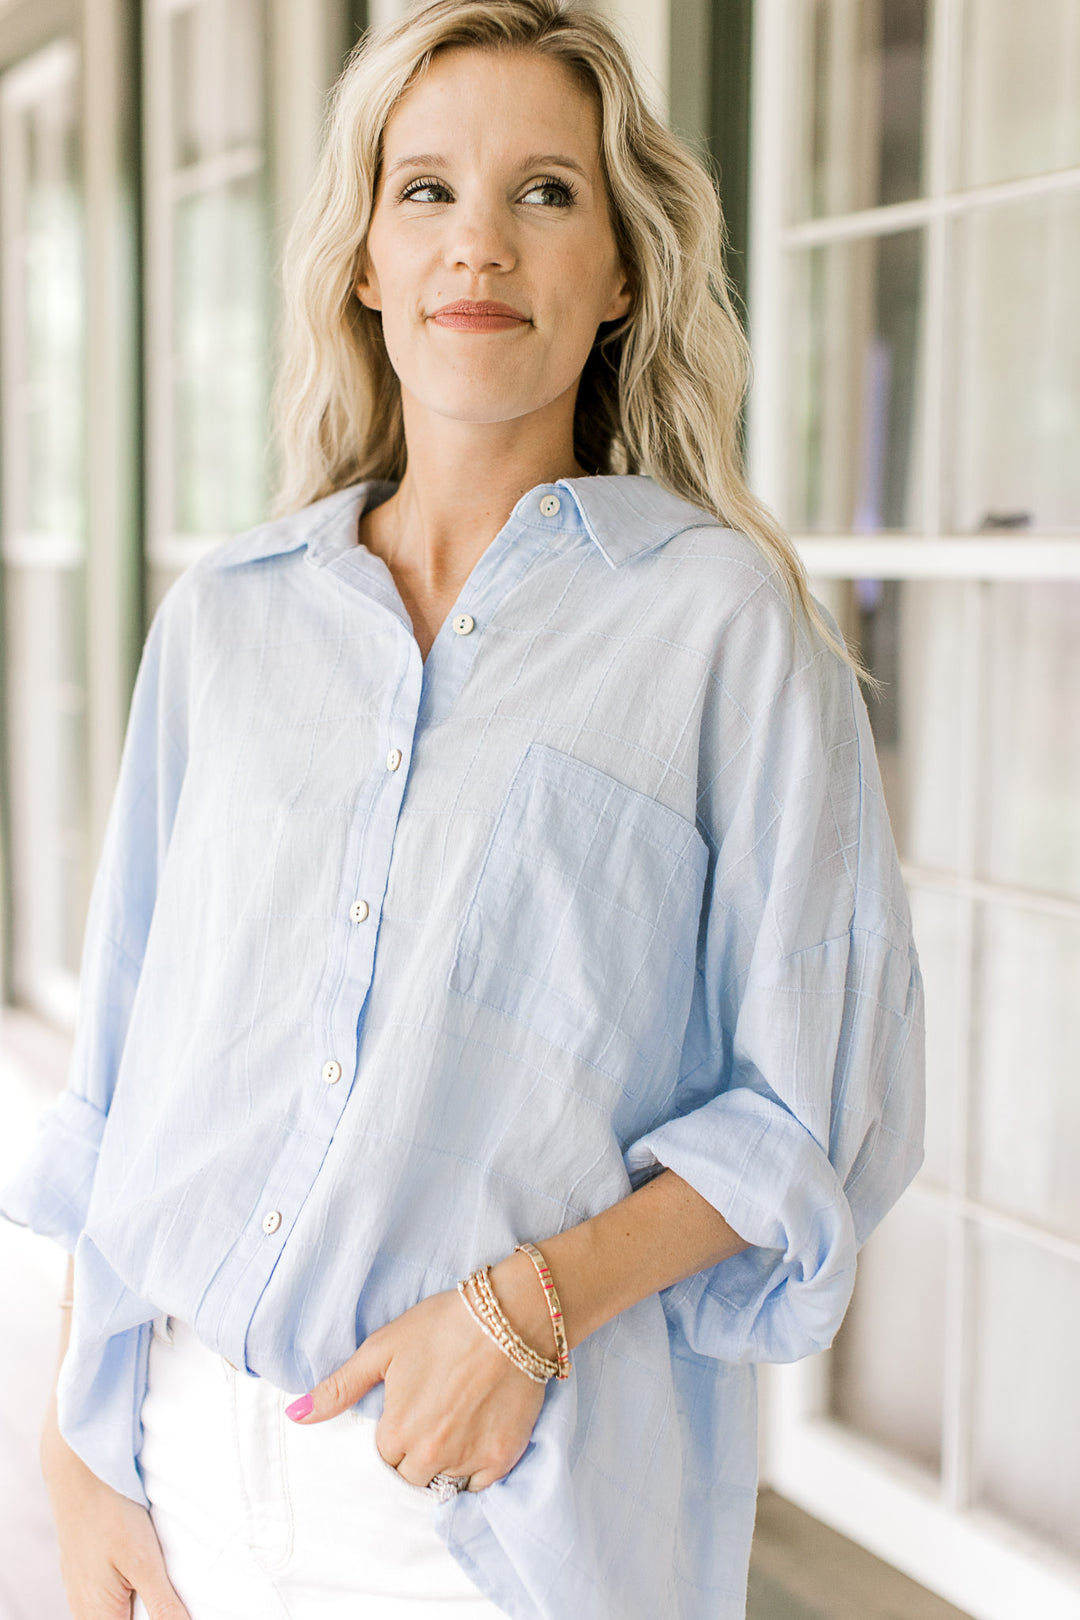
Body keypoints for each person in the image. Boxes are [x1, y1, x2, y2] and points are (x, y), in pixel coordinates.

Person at [0, 2, 925, 1616]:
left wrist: (525, 1314)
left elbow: (814, 1112)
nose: (478, 244)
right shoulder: (228, 619)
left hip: (486, 1509)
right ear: (364, 257)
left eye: (545, 192)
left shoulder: (719, 630)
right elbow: (134, 1063)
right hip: (179, 1457)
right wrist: (82, 1444)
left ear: (622, 269)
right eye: (425, 190)